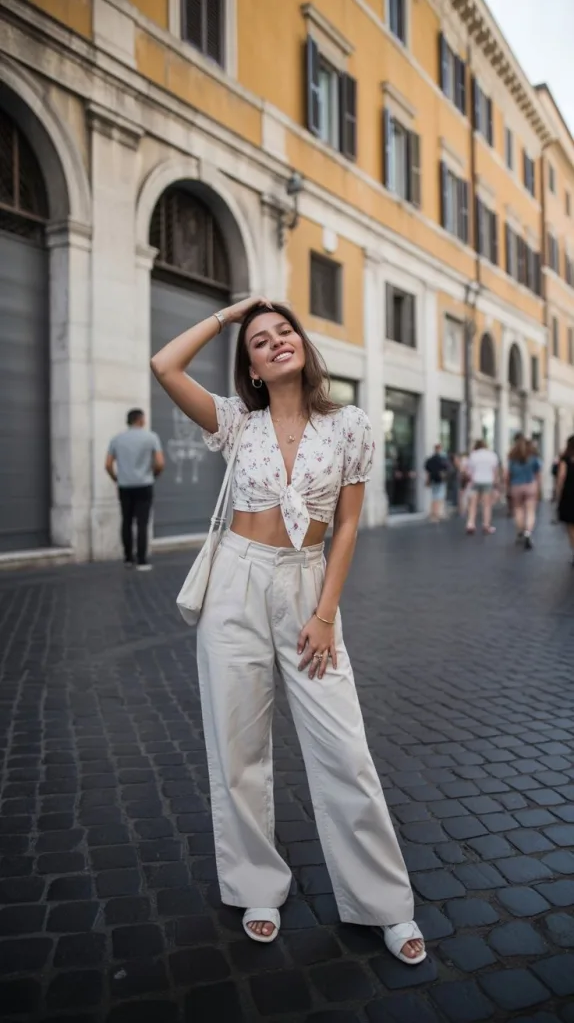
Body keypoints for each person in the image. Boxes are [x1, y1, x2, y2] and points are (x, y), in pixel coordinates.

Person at [151, 296, 425, 964]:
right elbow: (164, 364)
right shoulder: (234, 424)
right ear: (249, 367)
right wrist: (231, 314)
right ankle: (256, 887)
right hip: (236, 586)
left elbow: (350, 525)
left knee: (345, 751)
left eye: (284, 332)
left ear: (302, 345)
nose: (275, 342)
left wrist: (325, 614)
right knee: (237, 748)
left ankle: (384, 903)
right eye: (260, 341)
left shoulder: (351, 425)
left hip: (308, 585)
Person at [105, 409, 165, 570]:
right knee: (142, 523)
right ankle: (142, 560)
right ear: (140, 420)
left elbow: (108, 464)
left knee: (126, 521)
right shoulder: (151, 437)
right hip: (144, 485)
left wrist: (116, 478)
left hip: (125, 486)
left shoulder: (117, 439)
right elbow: (160, 463)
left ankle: (128, 558)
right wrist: (153, 474)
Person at [506, 434, 541, 550]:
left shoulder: (512, 458)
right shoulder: (533, 457)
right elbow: (538, 473)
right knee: (530, 511)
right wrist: (539, 487)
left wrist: (507, 486)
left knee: (518, 510)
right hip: (530, 485)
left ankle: (520, 531)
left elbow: (508, 474)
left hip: (516, 486)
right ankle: (528, 532)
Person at [466, 439, 499, 535]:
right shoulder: (492, 455)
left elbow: (469, 470)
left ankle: (470, 524)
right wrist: (496, 483)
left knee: (473, 504)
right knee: (487, 505)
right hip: (487, 481)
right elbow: (495, 470)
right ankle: (486, 525)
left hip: (475, 481)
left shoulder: (473, 455)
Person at [555, 435, 574, 563]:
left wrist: (557, 494)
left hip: (569, 496)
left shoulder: (565, 460)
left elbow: (561, 478)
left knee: (571, 526)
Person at [424, 443, 449, 522]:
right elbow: (446, 469)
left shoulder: (430, 459)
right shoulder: (442, 459)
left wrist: (427, 480)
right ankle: (438, 514)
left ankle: (434, 514)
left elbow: (427, 471)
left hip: (433, 480)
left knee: (434, 497)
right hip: (440, 480)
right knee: (439, 497)